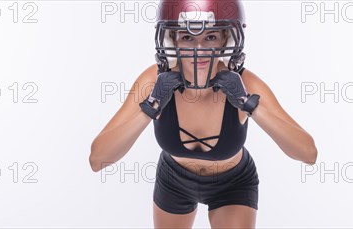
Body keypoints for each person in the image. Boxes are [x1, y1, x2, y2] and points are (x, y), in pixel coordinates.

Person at [89, 0, 318, 228]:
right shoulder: (153, 81)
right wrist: (150, 108)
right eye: (188, 37)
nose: (199, 49)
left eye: (210, 37)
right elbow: (98, 159)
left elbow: (308, 153)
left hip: (233, 183)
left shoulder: (244, 83)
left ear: (226, 39)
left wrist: (250, 105)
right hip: (173, 181)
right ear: (172, 39)